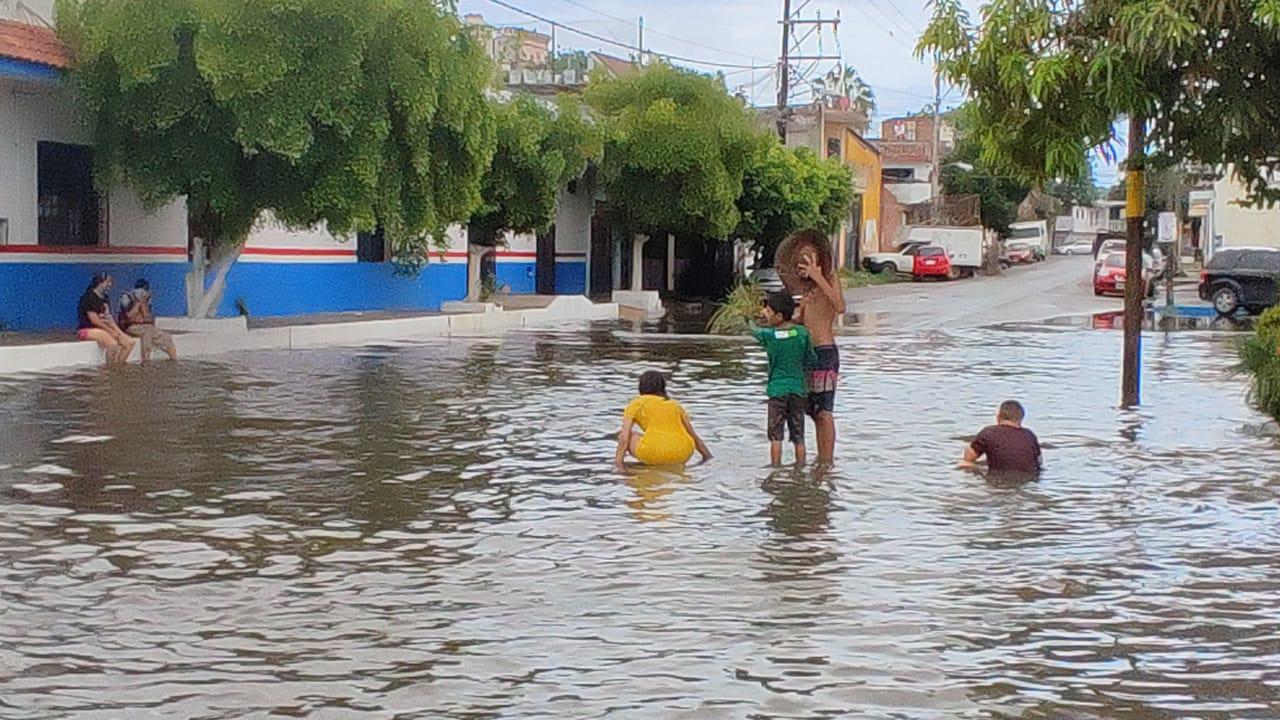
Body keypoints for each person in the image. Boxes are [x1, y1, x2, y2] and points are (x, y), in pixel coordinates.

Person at [792, 231, 846, 466]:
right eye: (802, 262)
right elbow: (801, 321)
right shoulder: (806, 292)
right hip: (807, 354)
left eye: (810, 260)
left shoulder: (830, 280)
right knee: (811, 411)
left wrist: (819, 276)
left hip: (825, 352)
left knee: (824, 412)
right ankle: (819, 460)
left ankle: (827, 462)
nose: (806, 265)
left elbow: (840, 306)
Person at [752, 292, 815, 466]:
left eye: (768, 311)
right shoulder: (802, 333)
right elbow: (811, 359)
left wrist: (753, 316)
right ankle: (801, 469)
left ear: (779, 315)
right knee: (799, 436)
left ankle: (775, 470)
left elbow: (752, 329)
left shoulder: (769, 336)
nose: (766, 313)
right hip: (797, 390)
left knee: (775, 436)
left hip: (777, 391)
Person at [614, 370, 712, 471]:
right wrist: (708, 457)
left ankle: (649, 464)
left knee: (630, 435)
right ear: (663, 387)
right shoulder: (675, 405)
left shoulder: (636, 404)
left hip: (654, 452)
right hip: (683, 452)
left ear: (641, 386)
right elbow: (694, 437)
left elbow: (624, 439)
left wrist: (618, 465)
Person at [960, 400, 1043, 475]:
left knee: (964, 464)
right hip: (1028, 479)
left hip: (998, 479)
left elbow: (969, 458)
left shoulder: (989, 433)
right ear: (1021, 418)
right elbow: (1039, 461)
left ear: (998, 416)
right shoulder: (1030, 435)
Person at [76, 273, 135, 367]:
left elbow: (108, 318)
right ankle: (110, 370)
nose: (110, 284)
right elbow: (95, 321)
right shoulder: (88, 297)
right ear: (100, 282)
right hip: (87, 329)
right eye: (108, 282)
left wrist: (116, 330)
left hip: (104, 327)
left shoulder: (105, 298)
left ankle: (119, 366)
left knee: (129, 343)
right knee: (113, 345)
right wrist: (111, 331)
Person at [119, 279, 178, 363]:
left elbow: (149, 318)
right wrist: (138, 302)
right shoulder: (127, 297)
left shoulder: (147, 300)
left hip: (147, 326)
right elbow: (129, 316)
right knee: (146, 334)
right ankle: (146, 361)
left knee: (166, 336)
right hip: (132, 326)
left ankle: (173, 360)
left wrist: (144, 302)